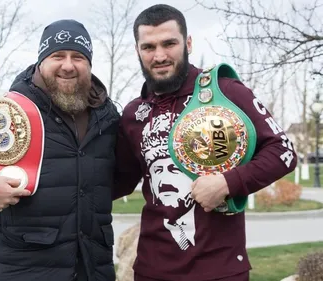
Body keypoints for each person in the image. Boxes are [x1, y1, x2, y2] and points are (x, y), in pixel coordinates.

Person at [113, 4, 297, 281]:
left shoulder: (225, 91)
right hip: (152, 269)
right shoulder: (134, 114)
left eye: (169, 43)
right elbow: (119, 180)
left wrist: (228, 183)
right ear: (138, 50)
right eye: (148, 47)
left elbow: (283, 151)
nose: (160, 55)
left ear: (187, 43)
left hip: (219, 269)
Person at [0, 19, 119, 281]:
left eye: (78, 57)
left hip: (92, 267)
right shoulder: (8, 108)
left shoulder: (107, 117)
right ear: (41, 62)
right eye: (57, 55)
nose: (68, 65)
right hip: (22, 268)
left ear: (89, 64)